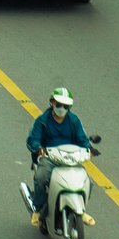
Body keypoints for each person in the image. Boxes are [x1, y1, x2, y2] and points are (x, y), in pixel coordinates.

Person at [26, 87, 94, 227]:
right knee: (40, 177)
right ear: (52, 103)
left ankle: (81, 210)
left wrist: (90, 148)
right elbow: (33, 140)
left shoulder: (74, 120)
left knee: (88, 182)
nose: (62, 108)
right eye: (59, 105)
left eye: (66, 106)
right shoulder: (42, 121)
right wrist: (38, 149)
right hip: (50, 158)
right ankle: (38, 210)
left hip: (71, 159)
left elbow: (82, 139)